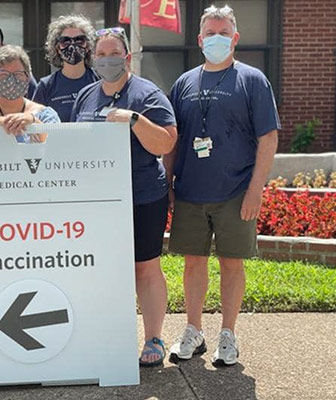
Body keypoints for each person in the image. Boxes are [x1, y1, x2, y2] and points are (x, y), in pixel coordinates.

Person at [166, 5, 280, 367]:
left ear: (235, 37)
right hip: (190, 192)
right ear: (199, 40)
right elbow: (174, 138)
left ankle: (228, 335)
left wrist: (255, 189)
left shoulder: (252, 80)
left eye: (223, 32)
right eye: (210, 33)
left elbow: (269, 137)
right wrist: (168, 183)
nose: (217, 39)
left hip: (235, 192)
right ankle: (194, 330)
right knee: (193, 264)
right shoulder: (183, 83)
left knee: (232, 264)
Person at [70, 27, 178, 367]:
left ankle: (153, 338)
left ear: (127, 57)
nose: (106, 60)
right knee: (102, 270)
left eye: (113, 53)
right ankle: (107, 337)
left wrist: (134, 120)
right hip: (99, 202)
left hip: (142, 197)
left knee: (145, 268)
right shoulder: (86, 96)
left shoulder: (147, 95)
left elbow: (166, 142)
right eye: (100, 55)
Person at [32, 14, 99, 122]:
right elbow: (36, 122)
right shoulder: (46, 86)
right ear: (58, 48)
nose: (72, 45)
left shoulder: (100, 81)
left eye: (79, 40)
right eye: (65, 41)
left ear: (87, 46)